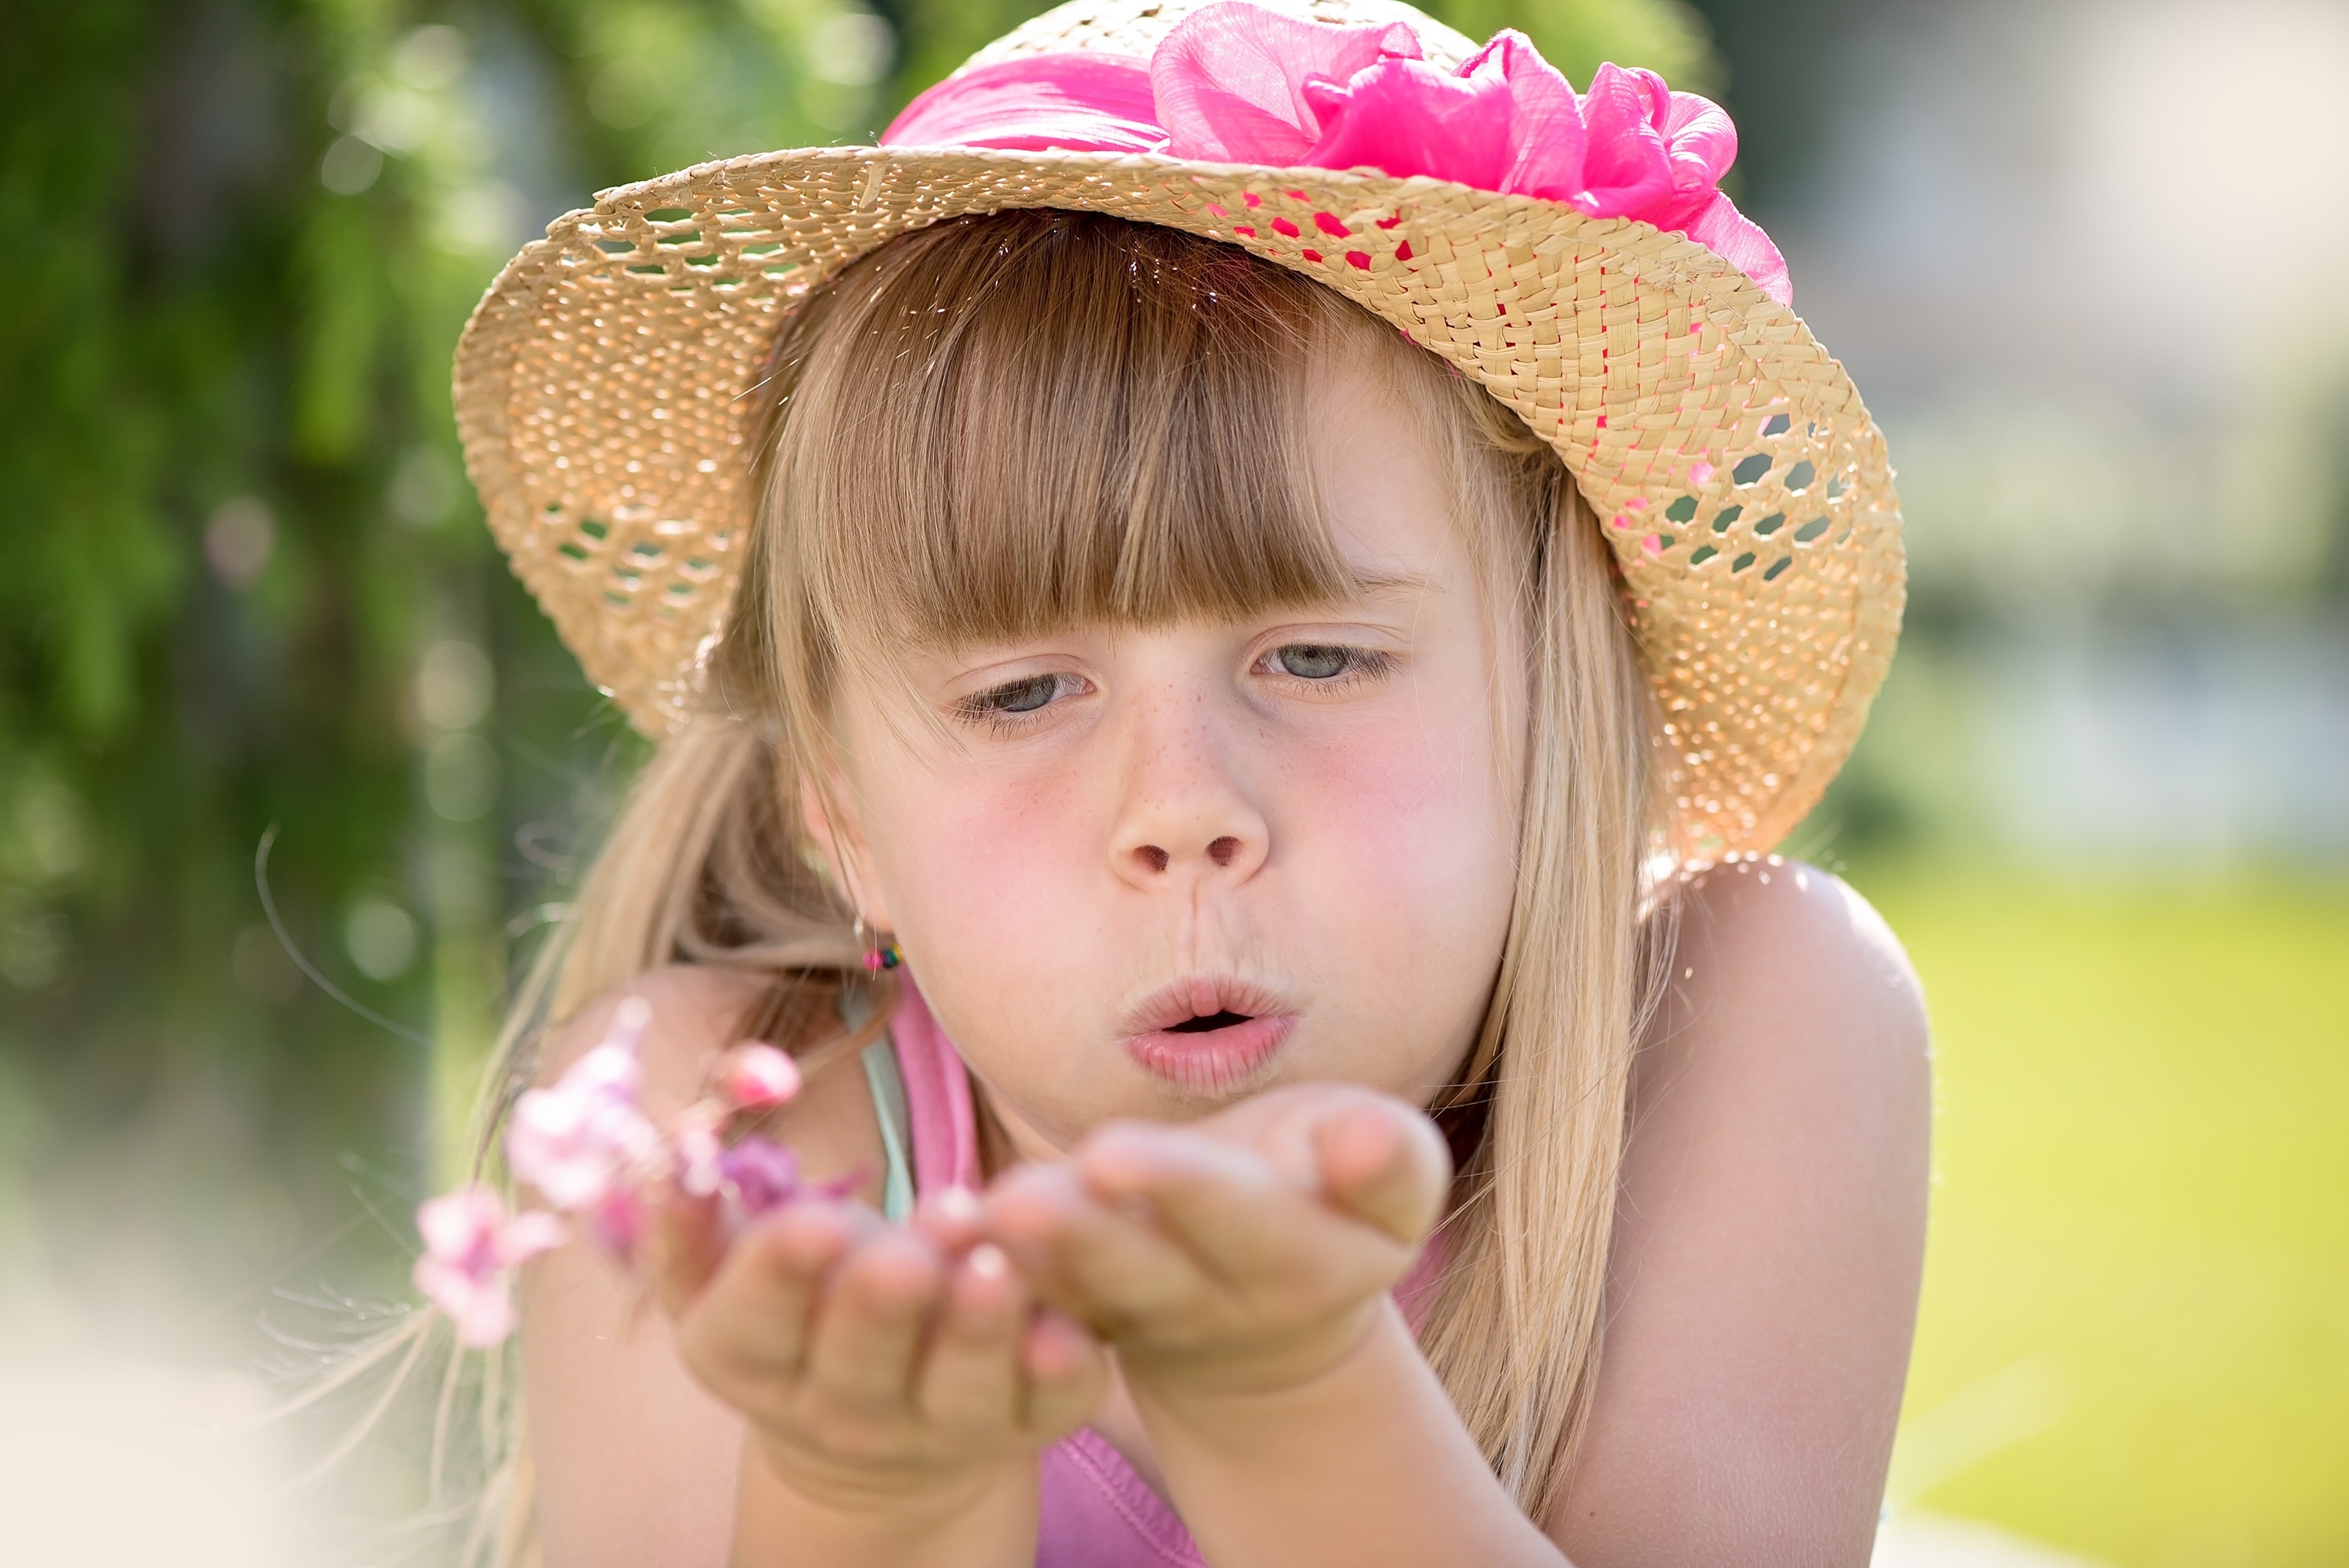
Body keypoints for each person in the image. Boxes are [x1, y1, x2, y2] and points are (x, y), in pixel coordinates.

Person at [448, 2, 1929, 1563]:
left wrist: (1285, 1384)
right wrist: (872, 1490)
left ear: (1559, 696)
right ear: (842, 815)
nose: (1182, 811)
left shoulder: (1738, 1017)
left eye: (1318, 661)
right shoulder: (712, 1132)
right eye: (1021, 692)